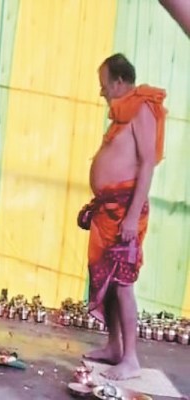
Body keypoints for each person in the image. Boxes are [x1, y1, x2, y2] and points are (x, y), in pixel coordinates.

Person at [79, 54, 167, 380]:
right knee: (109, 282)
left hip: (125, 212)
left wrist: (131, 217)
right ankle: (114, 346)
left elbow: (146, 165)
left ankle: (130, 358)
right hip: (109, 211)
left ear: (118, 81)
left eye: (104, 84)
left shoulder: (142, 108)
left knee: (123, 284)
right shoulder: (122, 113)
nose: (101, 91)